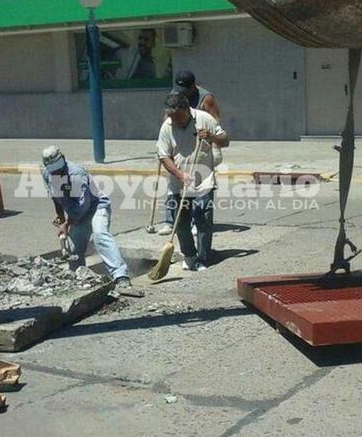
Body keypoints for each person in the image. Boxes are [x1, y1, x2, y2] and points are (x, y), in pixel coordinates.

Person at [41, 146, 144, 297]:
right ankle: (77, 280)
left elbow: (83, 206)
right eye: (52, 170)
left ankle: (121, 278)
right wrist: (62, 220)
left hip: (96, 207)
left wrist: (67, 224)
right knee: (75, 250)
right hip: (76, 212)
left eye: (57, 168)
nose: (56, 172)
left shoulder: (76, 173)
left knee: (100, 236)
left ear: (63, 158)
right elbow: (56, 198)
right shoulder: (47, 173)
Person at [156, 93, 229, 272]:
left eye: (179, 118)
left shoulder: (204, 119)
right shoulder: (167, 126)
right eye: (173, 119)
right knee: (180, 222)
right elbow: (164, 156)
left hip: (203, 181)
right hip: (178, 183)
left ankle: (203, 258)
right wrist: (179, 174)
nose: (176, 123)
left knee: (203, 220)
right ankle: (189, 255)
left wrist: (211, 136)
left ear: (188, 110)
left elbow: (225, 141)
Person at [158, 70, 223, 236]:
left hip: (201, 141)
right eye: (179, 88)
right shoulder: (175, 94)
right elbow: (167, 116)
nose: (181, 92)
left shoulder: (206, 98)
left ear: (193, 86)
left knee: (199, 181)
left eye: (185, 88)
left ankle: (197, 221)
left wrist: (210, 137)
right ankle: (170, 221)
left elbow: (216, 121)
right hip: (180, 140)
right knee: (174, 181)